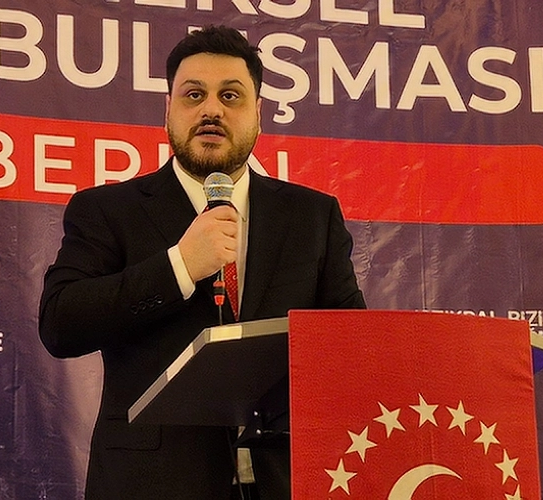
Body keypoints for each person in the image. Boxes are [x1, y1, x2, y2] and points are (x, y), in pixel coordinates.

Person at [39, 25, 366, 500]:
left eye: (230, 96)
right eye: (194, 95)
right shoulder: (108, 210)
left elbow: (351, 345)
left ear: (258, 114)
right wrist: (180, 266)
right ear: (168, 111)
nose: (211, 109)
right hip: (151, 485)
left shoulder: (313, 216)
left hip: (285, 481)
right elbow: (60, 323)